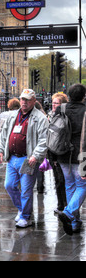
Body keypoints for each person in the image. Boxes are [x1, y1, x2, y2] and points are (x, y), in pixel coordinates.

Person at [0, 88, 48, 228]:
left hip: (28, 159)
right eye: (22, 99)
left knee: (26, 189)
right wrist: (0, 150)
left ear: (34, 101)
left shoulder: (40, 118)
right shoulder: (13, 116)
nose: (24, 102)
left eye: (27, 100)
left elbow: (44, 140)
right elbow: (3, 135)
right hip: (12, 158)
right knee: (9, 185)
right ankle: (22, 209)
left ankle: (26, 216)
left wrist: (36, 156)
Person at [57, 84, 86, 235]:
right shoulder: (85, 110)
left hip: (62, 153)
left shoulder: (60, 109)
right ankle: (68, 213)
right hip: (81, 155)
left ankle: (75, 222)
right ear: (83, 96)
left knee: (70, 185)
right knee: (82, 185)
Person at [47, 92, 68, 214]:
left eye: (57, 103)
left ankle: (64, 205)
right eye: (53, 103)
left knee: (62, 180)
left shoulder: (62, 117)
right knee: (57, 180)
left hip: (59, 152)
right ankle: (60, 204)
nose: (54, 105)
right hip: (51, 152)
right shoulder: (50, 115)